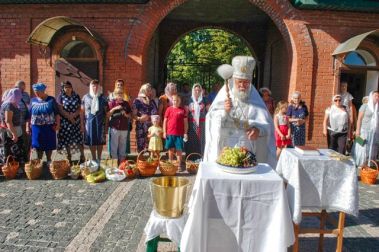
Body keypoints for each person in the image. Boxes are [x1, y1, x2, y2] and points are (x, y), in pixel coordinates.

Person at [204, 56, 276, 167]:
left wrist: (258, 131)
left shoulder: (256, 100)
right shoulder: (224, 96)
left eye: (246, 82)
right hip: (224, 150)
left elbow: (268, 127)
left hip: (247, 152)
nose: (242, 85)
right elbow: (211, 120)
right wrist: (224, 112)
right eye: (239, 82)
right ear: (233, 80)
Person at [27, 83, 61, 162]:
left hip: (49, 126)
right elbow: (29, 115)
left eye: (38, 92)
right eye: (35, 92)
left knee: (49, 144)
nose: (36, 94)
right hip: (36, 127)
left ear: (43, 91)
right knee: (38, 144)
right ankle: (39, 160)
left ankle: (49, 160)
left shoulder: (51, 100)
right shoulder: (33, 100)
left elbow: (57, 114)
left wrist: (58, 124)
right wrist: (27, 127)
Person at [56, 81, 85, 163]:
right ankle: (69, 156)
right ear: (63, 88)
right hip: (65, 122)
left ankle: (82, 155)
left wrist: (73, 116)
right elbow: (60, 110)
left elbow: (79, 108)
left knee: (79, 139)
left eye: (69, 87)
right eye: (65, 87)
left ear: (72, 88)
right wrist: (69, 117)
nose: (67, 89)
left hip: (76, 121)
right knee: (67, 140)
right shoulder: (60, 96)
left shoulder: (76, 96)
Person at [82, 79, 108, 161]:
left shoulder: (103, 98)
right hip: (89, 123)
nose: (95, 87)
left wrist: (106, 125)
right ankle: (93, 158)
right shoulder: (85, 97)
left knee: (100, 141)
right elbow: (82, 112)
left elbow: (107, 112)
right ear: (90, 86)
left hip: (100, 122)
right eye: (93, 85)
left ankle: (99, 158)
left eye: (97, 85)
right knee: (91, 140)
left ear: (99, 87)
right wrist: (82, 125)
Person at [0, 88, 26, 167]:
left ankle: (12, 169)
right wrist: (14, 134)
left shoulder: (7, 103)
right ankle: (15, 169)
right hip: (11, 131)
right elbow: (8, 121)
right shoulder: (9, 105)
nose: (19, 98)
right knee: (14, 151)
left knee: (9, 151)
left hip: (9, 130)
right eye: (18, 96)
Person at [352, 91, 379, 167]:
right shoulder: (365, 106)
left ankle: (368, 163)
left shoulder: (377, 107)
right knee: (362, 147)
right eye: (375, 96)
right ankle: (360, 163)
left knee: (371, 148)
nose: (377, 98)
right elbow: (359, 119)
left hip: (373, 132)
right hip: (363, 130)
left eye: (378, 96)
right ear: (371, 97)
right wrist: (357, 130)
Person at [108, 79, 132, 154]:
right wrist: (115, 108)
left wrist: (126, 114)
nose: (120, 95)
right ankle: (114, 163)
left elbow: (130, 115)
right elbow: (107, 114)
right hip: (114, 127)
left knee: (123, 146)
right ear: (115, 93)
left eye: (121, 93)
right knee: (114, 146)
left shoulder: (126, 103)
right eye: (118, 93)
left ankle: (122, 163)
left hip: (124, 127)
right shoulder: (112, 102)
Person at [163, 95, 188, 166]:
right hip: (170, 133)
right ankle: (170, 163)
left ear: (179, 102)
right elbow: (165, 121)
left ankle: (179, 165)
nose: (175, 102)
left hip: (179, 134)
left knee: (179, 150)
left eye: (177, 100)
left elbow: (185, 123)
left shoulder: (182, 110)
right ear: (172, 101)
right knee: (170, 149)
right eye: (174, 100)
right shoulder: (168, 109)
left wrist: (185, 133)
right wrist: (164, 132)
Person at [132, 83, 157, 152]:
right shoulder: (137, 101)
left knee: (151, 146)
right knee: (141, 146)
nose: (150, 91)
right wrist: (139, 118)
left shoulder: (152, 101)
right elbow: (133, 115)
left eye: (150, 90)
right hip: (141, 126)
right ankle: (141, 162)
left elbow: (156, 113)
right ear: (143, 90)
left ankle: (151, 162)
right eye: (148, 90)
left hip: (152, 127)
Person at [186, 83, 208, 155]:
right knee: (192, 139)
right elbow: (185, 113)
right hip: (191, 123)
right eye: (195, 90)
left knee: (201, 140)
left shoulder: (204, 100)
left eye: (199, 90)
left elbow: (209, 111)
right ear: (193, 91)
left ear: (201, 91)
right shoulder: (189, 100)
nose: (197, 92)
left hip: (202, 124)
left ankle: (201, 156)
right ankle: (191, 157)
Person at [14, 80, 30, 158]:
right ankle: (16, 156)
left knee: (25, 139)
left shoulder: (26, 95)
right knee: (15, 139)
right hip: (14, 122)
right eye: (20, 88)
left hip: (24, 121)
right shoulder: (11, 93)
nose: (22, 90)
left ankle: (25, 156)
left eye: (23, 89)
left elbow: (29, 106)